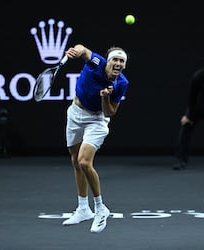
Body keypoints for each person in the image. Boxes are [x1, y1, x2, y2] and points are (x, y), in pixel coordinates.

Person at [61, 44, 129, 233]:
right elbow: (84, 50)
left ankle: (100, 208)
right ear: (108, 61)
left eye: (122, 61)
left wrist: (105, 99)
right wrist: (76, 51)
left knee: (84, 162)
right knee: (75, 161)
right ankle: (83, 209)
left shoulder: (122, 83)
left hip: (97, 120)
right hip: (75, 114)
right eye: (115, 59)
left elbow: (111, 112)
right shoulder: (97, 62)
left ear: (124, 66)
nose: (118, 63)